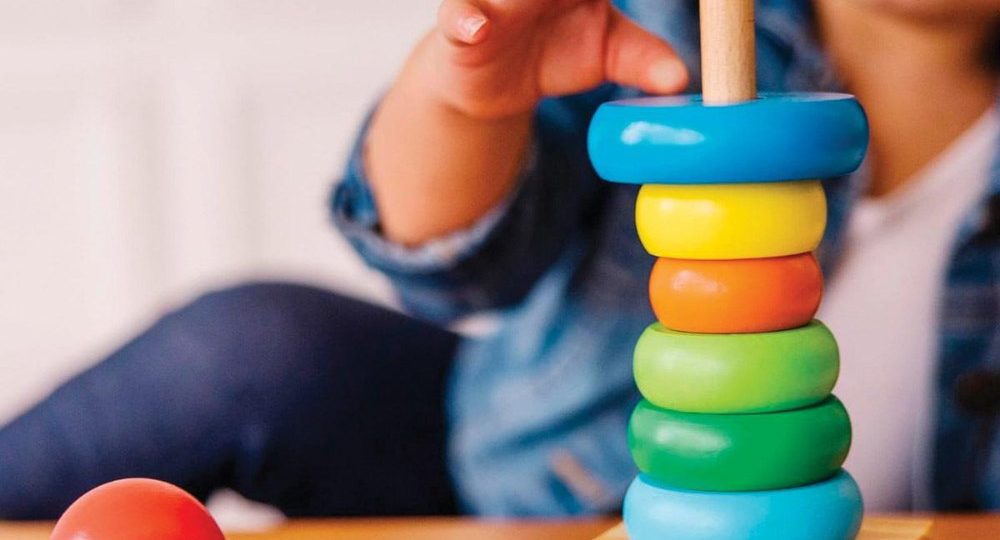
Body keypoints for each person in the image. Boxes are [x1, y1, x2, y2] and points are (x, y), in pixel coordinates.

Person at [2, 0, 998, 519]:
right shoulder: (659, 26)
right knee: (251, 346)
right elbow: (451, 267)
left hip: (889, 513)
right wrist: (465, 95)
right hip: (537, 485)